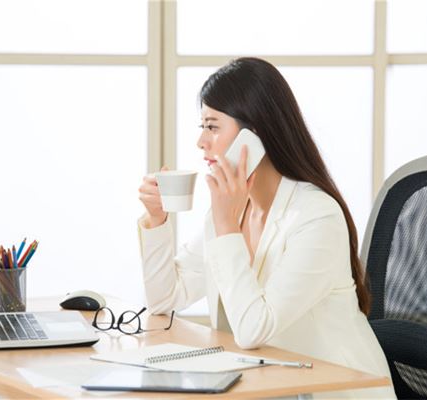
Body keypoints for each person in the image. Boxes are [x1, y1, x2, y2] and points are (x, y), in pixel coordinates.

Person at [137, 57, 395, 399]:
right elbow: (164, 299)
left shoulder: (316, 216)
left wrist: (226, 226)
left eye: (212, 127)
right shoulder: (231, 211)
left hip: (334, 392)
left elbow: (253, 329)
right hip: (272, 387)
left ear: (253, 136)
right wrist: (157, 221)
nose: (201, 141)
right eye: (202, 126)